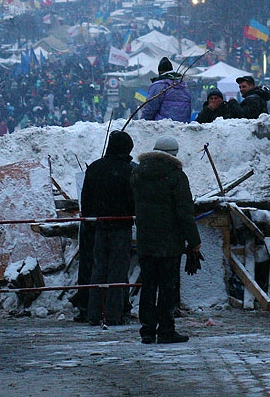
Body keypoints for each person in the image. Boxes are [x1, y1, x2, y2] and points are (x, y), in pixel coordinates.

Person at [131, 135, 201, 344]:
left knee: (148, 285)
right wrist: (194, 241)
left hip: (145, 240)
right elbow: (184, 212)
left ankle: (147, 330)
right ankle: (166, 329)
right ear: (173, 155)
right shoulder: (176, 176)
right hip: (169, 242)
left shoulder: (137, 173)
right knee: (168, 287)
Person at [82, 130, 136, 327]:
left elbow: (86, 198)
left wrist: (88, 220)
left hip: (99, 226)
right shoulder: (128, 170)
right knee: (118, 270)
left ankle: (94, 312)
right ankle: (114, 314)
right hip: (121, 226)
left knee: (98, 269)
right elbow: (133, 199)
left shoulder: (95, 168)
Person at [140, 57, 192, 122]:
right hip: (182, 126)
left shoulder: (158, 85)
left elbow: (151, 108)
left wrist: (142, 122)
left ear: (159, 72)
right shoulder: (183, 85)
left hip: (163, 126)